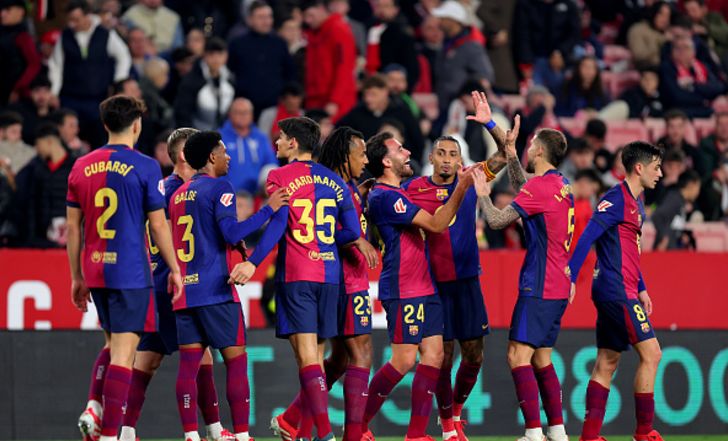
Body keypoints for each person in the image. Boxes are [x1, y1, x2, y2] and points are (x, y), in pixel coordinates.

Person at [68, 95, 183, 441]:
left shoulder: (80, 166)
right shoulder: (146, 166)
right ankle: (110, 435)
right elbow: (158, 225)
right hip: (131, 271)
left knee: (111, 342)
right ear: (137, 125)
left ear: (105, 124)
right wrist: (175, 268)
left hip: (95, 270)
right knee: (124, 354)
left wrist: (76, 276)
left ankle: (94, 405)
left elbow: (73, 227)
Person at [250, 117, 372, 441]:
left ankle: (325, 434)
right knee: (317, 358)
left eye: (280, 137)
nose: (276, 143)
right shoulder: (334, 181)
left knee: (307, 360)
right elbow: (352, 231)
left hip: (298, 274)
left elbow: (278, 225)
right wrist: (338, 240)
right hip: (330, 277)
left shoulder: (278, 176)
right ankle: (303, 433)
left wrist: (252, 262)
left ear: (293, 143)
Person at [169, 130, 289, 441]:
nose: (229, 156)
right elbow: (232, 232)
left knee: (188, 367)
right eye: (224, 151)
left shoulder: (178, 195)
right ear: (212, 157)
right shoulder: (220, 187)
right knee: (236, 361)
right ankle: (242, 435)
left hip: (185, 292)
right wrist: (269, 209)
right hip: (216, 290)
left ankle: (191, 435)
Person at [117, 128, 232, 441]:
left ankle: (125, 432)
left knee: (148, 358)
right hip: (175, 283)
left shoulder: (163, 188)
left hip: (155, 283)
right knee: (201, 355)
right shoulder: (178, 190)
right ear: (184, 155)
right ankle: (212, 431)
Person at [403, 97, 508, 440]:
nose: (447, 159)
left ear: (460, 160)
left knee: (474, 356)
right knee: (443, 358)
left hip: (466, 281)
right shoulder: (413, 189)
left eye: (453, 154)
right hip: (433, 285)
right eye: (442, 153)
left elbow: (505, 155)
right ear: (431, 158)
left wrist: (490, 124)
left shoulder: (471, 178)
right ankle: (448, 425)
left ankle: (457, 410)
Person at [361, 131, 475, 441]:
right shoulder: (386, 197)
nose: (407, 151)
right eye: (399, 149)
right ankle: (357, 426)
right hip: (403, 286)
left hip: (425, 285)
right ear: (386, 162)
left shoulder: (396, 192)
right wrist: (461, 187)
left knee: (434, 355)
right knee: (403, 359)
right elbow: (437, 224)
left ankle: (415, 435)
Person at [472, 120, 572, 441]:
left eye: (530, 145)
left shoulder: (540, 188)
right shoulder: (560, 184)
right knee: (542, 358)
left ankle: (532, 433)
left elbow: (496, 220)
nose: (528, 149)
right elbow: (523, 186)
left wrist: (483, 196)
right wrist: (510, 150)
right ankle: (557, 431)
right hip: (558, 284)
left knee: (517, 355)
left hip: (540, 284)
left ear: (539, 151)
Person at [569, 141, 665, 441]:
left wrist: (642, 288)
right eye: (656, 168)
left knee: (607, 361)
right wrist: (571, 276)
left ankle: (589, 436)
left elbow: (629, 252)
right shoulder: (616, 198)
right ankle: (643, 433)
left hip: (622, 288)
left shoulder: (637, 203)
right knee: (652, 354)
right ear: (639, 167)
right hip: (616, 290)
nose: (660, 174)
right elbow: (587, 237)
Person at [49, 0, 132, 147]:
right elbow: (56, 65)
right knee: (69, 138)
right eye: (70, 20)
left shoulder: (105, 34)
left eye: (76, 19)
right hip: (70, 97)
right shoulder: (65, 36)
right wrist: (54, 92)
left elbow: (123, 56)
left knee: (98, 138)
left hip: (98, 98)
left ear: (87, 16)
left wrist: (118, 82)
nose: (72, 24)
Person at [337, 74, 425, 167]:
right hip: (367, 166)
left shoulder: (401, 112)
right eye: (365, 95)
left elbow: (418, 141)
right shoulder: (357, 113)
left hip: (400, 164)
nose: (368, 99)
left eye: (373, 94)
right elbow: (339, 134)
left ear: (385, 92)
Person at [227, 1, 295, 118]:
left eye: (269, 17)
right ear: (249, 20)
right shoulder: (237, 44)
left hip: (274, 106)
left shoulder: (280, 43)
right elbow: (229, 72)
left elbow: (289, 73)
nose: (266, 21)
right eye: (261, 17)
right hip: (245, 107)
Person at [14, 123, 74, 248]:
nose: (37, 149)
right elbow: (31, 204)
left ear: (49, 142)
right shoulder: (35, 168)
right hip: (43, 239)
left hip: (71, 234)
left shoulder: (76, 166)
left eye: (38, 144)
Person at [432, 1, 494, 118]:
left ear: (453, 20)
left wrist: (466, 94)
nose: (439, 22)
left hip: (464, 111)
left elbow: (485, 75)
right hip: (446, 106)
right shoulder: (446, 45)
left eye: (443, 19)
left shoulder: (471, 46)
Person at [302, 0, 357, 121]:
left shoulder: (339, 30)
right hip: (315, 100)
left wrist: (335, 101)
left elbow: (344, 68)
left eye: (311, 15)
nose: (307, 20)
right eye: (305, 17)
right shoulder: (313, 34)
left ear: (322, 9)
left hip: (335, 102)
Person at [219, 98, 278, 195]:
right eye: (238, 112)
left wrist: (266, 184)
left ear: (252, 115)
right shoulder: (219, 137)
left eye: (246, 112)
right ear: (230, 114)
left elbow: (271, 164)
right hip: (227, 195)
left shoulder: (261, 138)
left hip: (257, 196)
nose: (243, 116)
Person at [174, 38, 235, 131]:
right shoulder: (191, 81)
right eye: (211, 55)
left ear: (226, 56)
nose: (216, 59)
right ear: (204, 55)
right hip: (197, 132)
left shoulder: (230, 79)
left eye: (220, 54)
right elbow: (183, 113)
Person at [659, 36, 726, 118]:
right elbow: (676, 97)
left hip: (706, 109)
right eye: (677, 48)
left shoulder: (703, 66)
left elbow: (718, 87)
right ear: (672, 51)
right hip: (681, 111)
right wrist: (703, 100)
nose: (682, 51)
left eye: (686, 47)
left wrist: (694, 85)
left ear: (693, 51)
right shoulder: (667, 68)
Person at [365, 0, 420, 90]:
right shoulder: (364, 30)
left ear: (395, 10)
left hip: (392, 88)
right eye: (379, 6)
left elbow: (412, 69)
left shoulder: (403, 36)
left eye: (386, 6)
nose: (382, 10)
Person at [0, 0, 41, 106]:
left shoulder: (23, 37)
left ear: (20, 12)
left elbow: (34, 64)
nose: (2, 14)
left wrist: (18, 88)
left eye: (8, 10)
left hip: (13, 96)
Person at [652, 169, 701, 250]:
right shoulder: (674, 199)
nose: (698, 192)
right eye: (698, 187)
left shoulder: (680, 201)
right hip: (664, 253)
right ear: (691, 185)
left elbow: (673, 225)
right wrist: (664, 238)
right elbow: (657, 216)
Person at [626, 1, 671, 70]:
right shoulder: (638, 30)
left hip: (667, 70)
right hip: (646, 69)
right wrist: (662, 41)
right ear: (654, 13)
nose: (665, 19)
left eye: (667, 16)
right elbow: (639, 56)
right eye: (661, 14)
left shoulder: (668, 33)